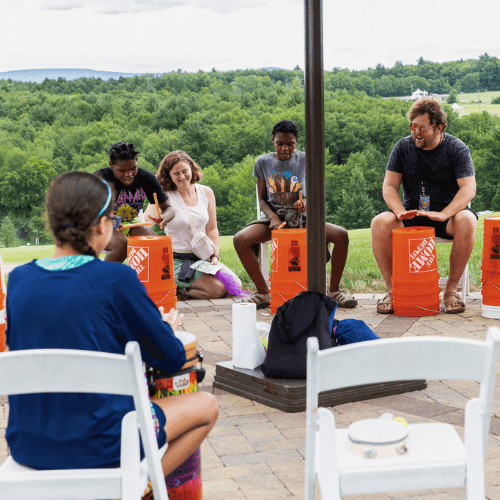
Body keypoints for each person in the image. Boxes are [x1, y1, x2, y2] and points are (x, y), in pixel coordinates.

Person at [5, 172, 219, 484]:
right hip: (105, 444)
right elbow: (171, 359)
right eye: (113, 219)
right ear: (100, 225)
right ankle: (137, 486)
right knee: (206, 406)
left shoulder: (20, 280)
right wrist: (162, 325)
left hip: (30, 445)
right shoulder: (116, 280)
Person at [233, 119, 357, 309]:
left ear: (296, 141)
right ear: (273, 141)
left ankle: (334, 291)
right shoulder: (263, 162)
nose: (285, 148)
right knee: (240, 239)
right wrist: (273, 217)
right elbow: (262, 199)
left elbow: (315, 194)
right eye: (280, 143)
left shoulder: (307, 159)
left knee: (341, 235)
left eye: (290, 144)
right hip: (273, 220)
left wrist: (306, 203)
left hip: (303, 220)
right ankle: (263, 293)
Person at [371, 99, 477, 314]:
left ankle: (450, 292)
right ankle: (394, 291)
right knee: (379, 222)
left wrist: (445, 213)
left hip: (447, 217)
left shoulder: (456, 148)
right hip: (411, 214)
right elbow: (390, 186)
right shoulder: (402, 147)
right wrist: (399, 211)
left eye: (422, 127)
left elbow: (468, 189)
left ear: (439, 127)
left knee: (467, 220)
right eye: (413, 126)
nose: (416, 132)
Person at [144, 151, 228, 300]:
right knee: (217, 290)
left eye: (184, 171)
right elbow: (146, 223)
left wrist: (214, 256)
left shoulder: (206, 192)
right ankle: (179, 291)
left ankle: (186, 285)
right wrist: (156, 219)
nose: (182, 176)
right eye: (176, 173)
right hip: (176, 261)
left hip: (202, 258)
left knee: (234, 285)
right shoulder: (164, 196)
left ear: (192, 169)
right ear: (168, 175)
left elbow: (212, 229)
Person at [94, 142, 175, 263]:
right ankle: (102, 279)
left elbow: (169, 208)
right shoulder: (100, 177)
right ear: (111, 164)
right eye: (122, 170)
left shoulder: (146, 178)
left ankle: (142, 279)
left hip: (130, 223)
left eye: (133, 169)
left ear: (137, 161)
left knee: (155, 244)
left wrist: (164, 217)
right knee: (122, 244)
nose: (129, 174)